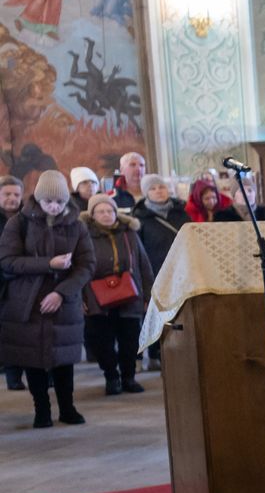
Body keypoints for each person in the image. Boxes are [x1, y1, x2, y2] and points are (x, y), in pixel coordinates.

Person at [1, 170, 95, 426]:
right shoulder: (18, 223)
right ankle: (41, 409)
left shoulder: (77, 225)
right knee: (32, 358)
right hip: (27, 301)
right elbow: (8, 261)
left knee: (63, 357)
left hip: (64, 300)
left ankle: (67, 408)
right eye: (48, 201)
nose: (54, 207)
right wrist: (49, 264)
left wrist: (61, 293)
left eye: (60, 202)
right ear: (38, 199)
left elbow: (86, 265)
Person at [80, 194, 155, 395]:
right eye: (101, 211)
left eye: (110, 211)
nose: (106, 215)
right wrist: (80, 297)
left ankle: (129, 377)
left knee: (130, 339)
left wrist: (148, 294)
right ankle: (112, 378)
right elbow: (78, 269)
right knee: (102, 341)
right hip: (95, 296)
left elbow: (144, 265)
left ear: (116, 213)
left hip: (129, 293)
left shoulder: (129, 233)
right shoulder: (83, 236)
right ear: (92, 215)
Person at [132, 175, 187, 276]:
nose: (158, 191)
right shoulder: (139, 217)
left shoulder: (182, 210)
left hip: (185, 268)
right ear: (146, 193)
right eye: (152, 189)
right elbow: (137, 251)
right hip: (157, 272)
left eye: (162, 187)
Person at [0, 176, 19, 391]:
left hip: (21, 281)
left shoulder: (27, 219)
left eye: (16, 194)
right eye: (7, 194)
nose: (12, 198)